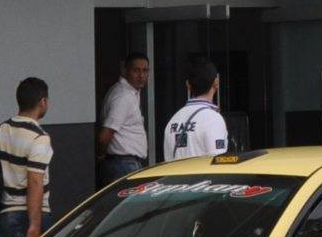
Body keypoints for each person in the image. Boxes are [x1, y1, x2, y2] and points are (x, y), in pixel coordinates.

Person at [0, 77, 53, 237]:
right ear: (43, 102)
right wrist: (34, 226)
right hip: (28, 217)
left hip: (5, 216)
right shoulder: (39, 137)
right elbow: (35, 182)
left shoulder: (3, 129)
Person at [96, 52, 151, 188]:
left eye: (145, 71)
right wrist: (101, 156)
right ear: (125, 71)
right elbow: (104, 136)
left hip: (126, 164)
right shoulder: (123, 96)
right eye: (136, 70)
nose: (141, 75)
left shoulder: (130, 93)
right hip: (122, 165)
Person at [162, 54, 230, 161]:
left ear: (188, 85)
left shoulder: (173, 120)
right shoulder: (213, 119)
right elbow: (218, 162)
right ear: (216, 83)